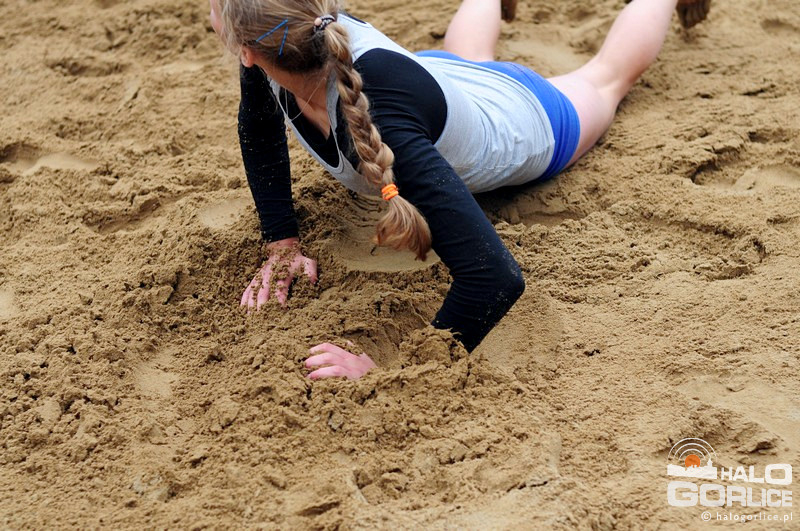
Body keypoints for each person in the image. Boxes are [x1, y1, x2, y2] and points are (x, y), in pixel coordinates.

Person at [208, 0, 712, 380]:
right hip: (433, 81)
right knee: (466, 58)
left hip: (522, 114)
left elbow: (494, 277)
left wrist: (392, 367)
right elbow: (258, 127)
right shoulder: (295, 36)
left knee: (606, 78)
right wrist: (282, 241)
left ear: (244, 48)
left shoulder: (384, 125)